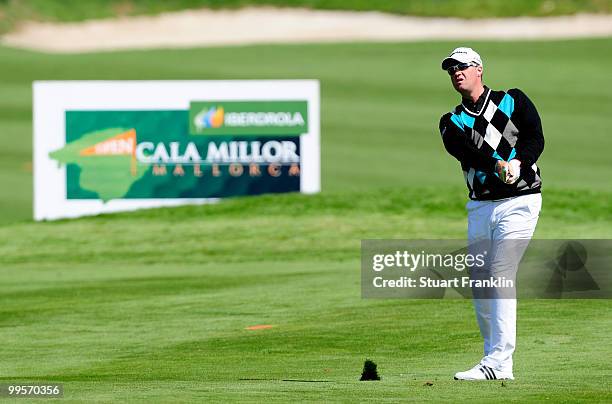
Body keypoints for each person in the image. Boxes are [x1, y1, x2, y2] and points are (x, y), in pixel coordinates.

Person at [438, 47, 544, 380]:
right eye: (451, 68)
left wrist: (518, 163)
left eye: (462, 66)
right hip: (481, 205)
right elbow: (466, 151)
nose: (456, 72)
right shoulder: (451, 121)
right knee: (481, 281)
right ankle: (492, 358)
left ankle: (500, 361)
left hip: (520, 200)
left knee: (500, 272)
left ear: (479, 69)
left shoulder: (513, 100)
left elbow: (535, 138)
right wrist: (497, 164)